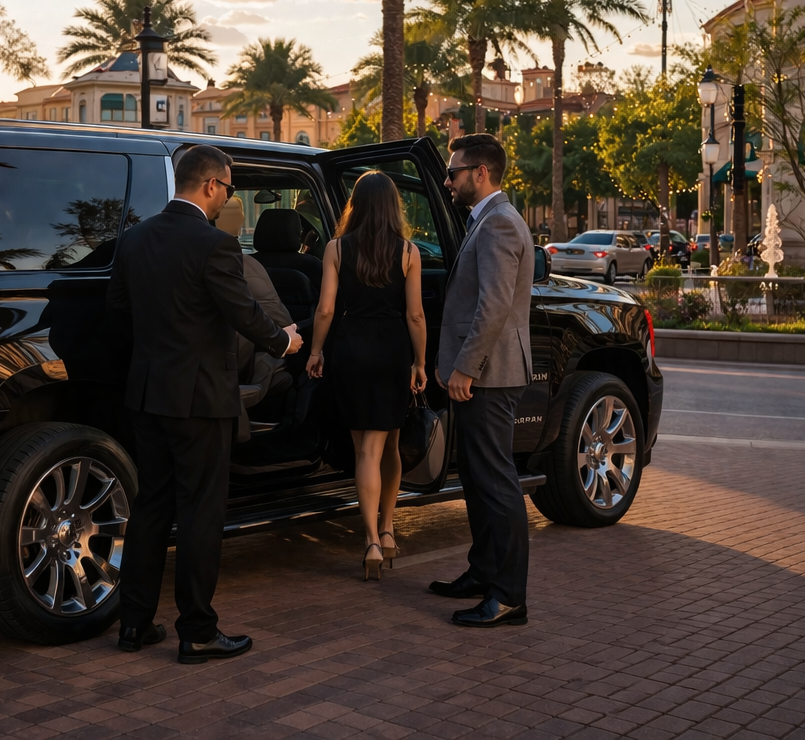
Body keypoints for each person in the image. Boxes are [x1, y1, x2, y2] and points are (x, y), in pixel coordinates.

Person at [107, 144, 303, 664]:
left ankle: (134, 624)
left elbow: (119, 312)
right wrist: (283, 342)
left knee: (149, 509)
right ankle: (196, 631)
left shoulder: (135, 239)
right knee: (199, 513)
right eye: (229, 189)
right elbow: (242, 313)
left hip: (147, 394)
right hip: (201, 399)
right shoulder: (214, 245)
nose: (226, 200)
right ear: (211, 185)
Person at [429, 132, 536, 628]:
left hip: (489, 375)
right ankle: (483, 572)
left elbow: (492, 305)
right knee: (476, 478)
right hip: (484, 373)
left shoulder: (498, 224)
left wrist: (465, 368)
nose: (448, 180)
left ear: (481, 173)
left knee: (496, 483)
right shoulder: (487, 221)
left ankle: (509, 595)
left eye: (454, 173)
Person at [305, 171, 427, 580]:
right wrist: (420, 362)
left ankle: (373, 538)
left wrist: (317, 351)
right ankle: (387, 531)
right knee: (389, 442)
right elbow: (415, 314)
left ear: (353, 205)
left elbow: (325, 309)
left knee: (367, 451)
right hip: (392, 351)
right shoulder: (409, 251)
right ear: (393, 206)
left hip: (352, 350)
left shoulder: (336, 248)